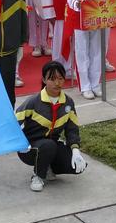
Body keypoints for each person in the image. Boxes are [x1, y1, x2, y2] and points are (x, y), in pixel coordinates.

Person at [15, 61, 87, 192]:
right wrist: (20, 144)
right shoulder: (33, 101)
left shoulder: (68, 102)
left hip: (51, 145)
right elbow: (15, 122)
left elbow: (72, 129)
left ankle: (47, 165)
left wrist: (75, 150)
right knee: (48, 146)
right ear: (44, 79)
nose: (57, 83)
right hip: (30, 149)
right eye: (52, 79)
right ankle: (38, 175)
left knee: (75, 166)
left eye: (60, 78)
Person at [65, 0, 111, 99]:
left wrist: (110, 0)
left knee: (97, 51)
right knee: (83, 51)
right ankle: (84, 85)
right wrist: (81, 4)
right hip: (81, 20)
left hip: (98, 19)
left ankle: (96, 83)